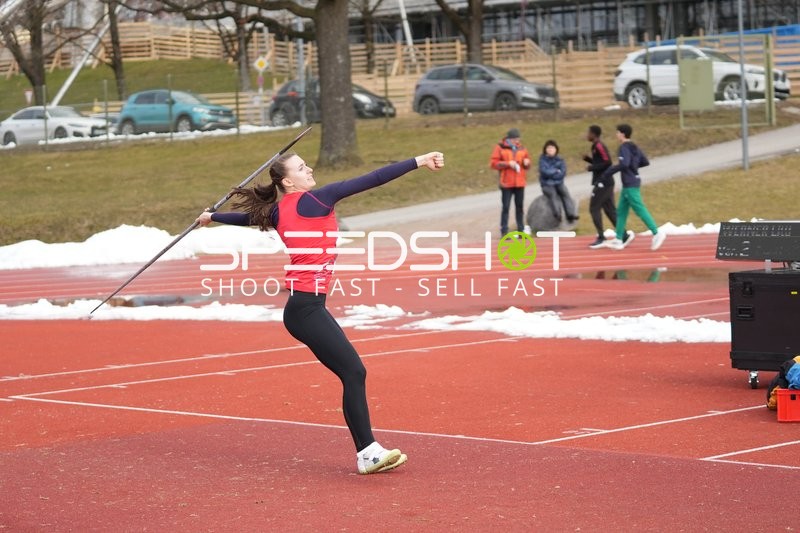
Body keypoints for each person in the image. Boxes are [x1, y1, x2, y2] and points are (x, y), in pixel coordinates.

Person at [195, 150, 445, 474]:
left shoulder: (277, 211)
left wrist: (211, 218)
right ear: (288, 181)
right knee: (354, 373)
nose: (309, 168)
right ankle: (367, 453)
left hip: (306, 308)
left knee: (353, 373)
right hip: (306, 309)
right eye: (301, 167)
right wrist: (420, 160)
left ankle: (367, 451)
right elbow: (372, 179)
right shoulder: (319, 199)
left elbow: (248, 219)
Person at [601, 123, 666, 251]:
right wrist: (633, 167)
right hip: (629, 184)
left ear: (623, 134)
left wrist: (608, 173)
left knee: (639, 209)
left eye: (618, 132)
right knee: (621, 211)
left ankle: (656, 232)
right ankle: (619, 239)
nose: (616, 134)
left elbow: (624, 164)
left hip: (630, 184)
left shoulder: (624, 147)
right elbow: (645, 161)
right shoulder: (634, 146)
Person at [489, 128, 531, 235]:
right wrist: (508, 164)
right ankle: (504, 231)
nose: (516, 141)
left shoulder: (522, 148)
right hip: (506, 183)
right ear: (508, 139)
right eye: (514, 139)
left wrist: (527, 163)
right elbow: (494, 163)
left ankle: (521, 230)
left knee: (519, 207)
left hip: (520, 182)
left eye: (518, 139)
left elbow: (527, 163)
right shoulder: (500, 147)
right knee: (506, 207)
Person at [582, 125, 616, 249]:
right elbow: (600, 162)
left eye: (588, 133)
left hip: (604, 182)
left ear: (594, 134)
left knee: (594, 207)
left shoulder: (599, 145)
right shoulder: (595, 146)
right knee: (609, 209)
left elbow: (608, 162)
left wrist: (591, 167)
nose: (587, 135)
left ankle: (601, 237)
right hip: (606, 181)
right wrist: (588, 160)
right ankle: (622, 234)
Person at [538, 139, 578, 223]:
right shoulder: (542, 159)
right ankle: (557, 214)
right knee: (553, 195)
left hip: (558, 182)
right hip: (547, 184)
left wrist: (553, 173)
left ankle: (570, 214)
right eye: (548, 148)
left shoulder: (560, 159)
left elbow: (563, 172)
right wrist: (556, 171)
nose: (550, 150)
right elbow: (544, 172)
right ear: (545, 149)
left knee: (565, 193)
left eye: (552, 148)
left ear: (556, 149)